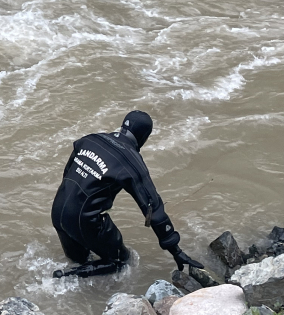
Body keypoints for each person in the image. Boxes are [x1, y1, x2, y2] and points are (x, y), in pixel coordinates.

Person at [50, 111, 203, 278]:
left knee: (80, 260)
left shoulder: (91, 139)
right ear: (144, 137)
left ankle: (65, 283)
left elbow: (67, 175)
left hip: (58, 210)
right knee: (121, 261)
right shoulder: (131, 161)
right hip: (85, 219)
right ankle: (64, 276)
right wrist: (176, 251)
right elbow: (154, 210)